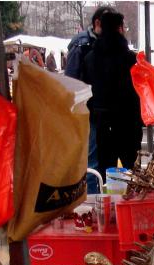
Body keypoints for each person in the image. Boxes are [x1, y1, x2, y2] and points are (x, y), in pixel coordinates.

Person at [81, 11, 142, 181]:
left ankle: (107, 205)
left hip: (102, 123)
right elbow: (138, 93)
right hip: (128, 123)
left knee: (105, 172)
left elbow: (86, 92)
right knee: (132, 171)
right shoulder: (131, 59)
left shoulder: (90, 58)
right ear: (120, 29)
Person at [65, 6, 115, 189]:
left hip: (105, 114)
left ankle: (104, 199)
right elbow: (71, 82)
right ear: (97, 23)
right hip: (89, 113)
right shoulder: (81, 44)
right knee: (92, 161)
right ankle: (93, 205)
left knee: (106, 160)